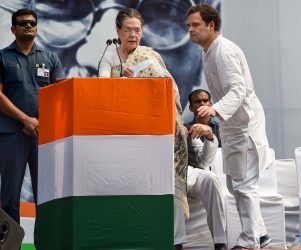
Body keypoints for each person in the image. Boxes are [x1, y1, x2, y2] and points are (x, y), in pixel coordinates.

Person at [186, 4, 274, 249]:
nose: (190, 30)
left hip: (244, 125)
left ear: (211, 26)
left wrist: (214, 109)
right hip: (232, 125)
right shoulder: (208, 51)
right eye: (189, 25)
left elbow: (238, 90)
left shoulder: (223, 51)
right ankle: (262, 235)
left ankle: (248, 242)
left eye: (195, 25)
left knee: (244, 185)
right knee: (236, 185)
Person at [97, 7, 189, 234]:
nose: (133, 35)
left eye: (137, 30)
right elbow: (102, 84)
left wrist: (138, 84)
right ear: (118, 31)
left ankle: (173, 239)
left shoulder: (148, 56)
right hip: (122, 129)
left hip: (154, 129)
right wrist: (126, 85)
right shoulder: (111, 54)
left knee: (161, 182)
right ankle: (132, 232)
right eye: (127, 30)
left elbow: (171, 90)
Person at [0, 8, 64, 224]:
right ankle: (10, 247)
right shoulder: (2, 57)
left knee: (45, 196)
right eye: (23, 22)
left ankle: (45, 243)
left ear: (36, 28)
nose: (28, 25)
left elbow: (61, 95)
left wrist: (40, 122)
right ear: (13, 29)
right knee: (9, 197)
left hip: (44, 135)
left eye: (32, 22)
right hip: (11, 134)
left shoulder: (50, 58)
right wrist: (25, 119)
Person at [174, 90, 227, 250]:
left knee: (210, 178)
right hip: (180, 173)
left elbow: (204, 162)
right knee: (175, 179)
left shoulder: (222, 129)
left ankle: (220, 242)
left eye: (205, 101)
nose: (202, 105)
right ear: (190, 107)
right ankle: (177, 243)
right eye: (198, 102)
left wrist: (210, 136)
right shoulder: (185, 128)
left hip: (209, 175)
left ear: (211, 104)